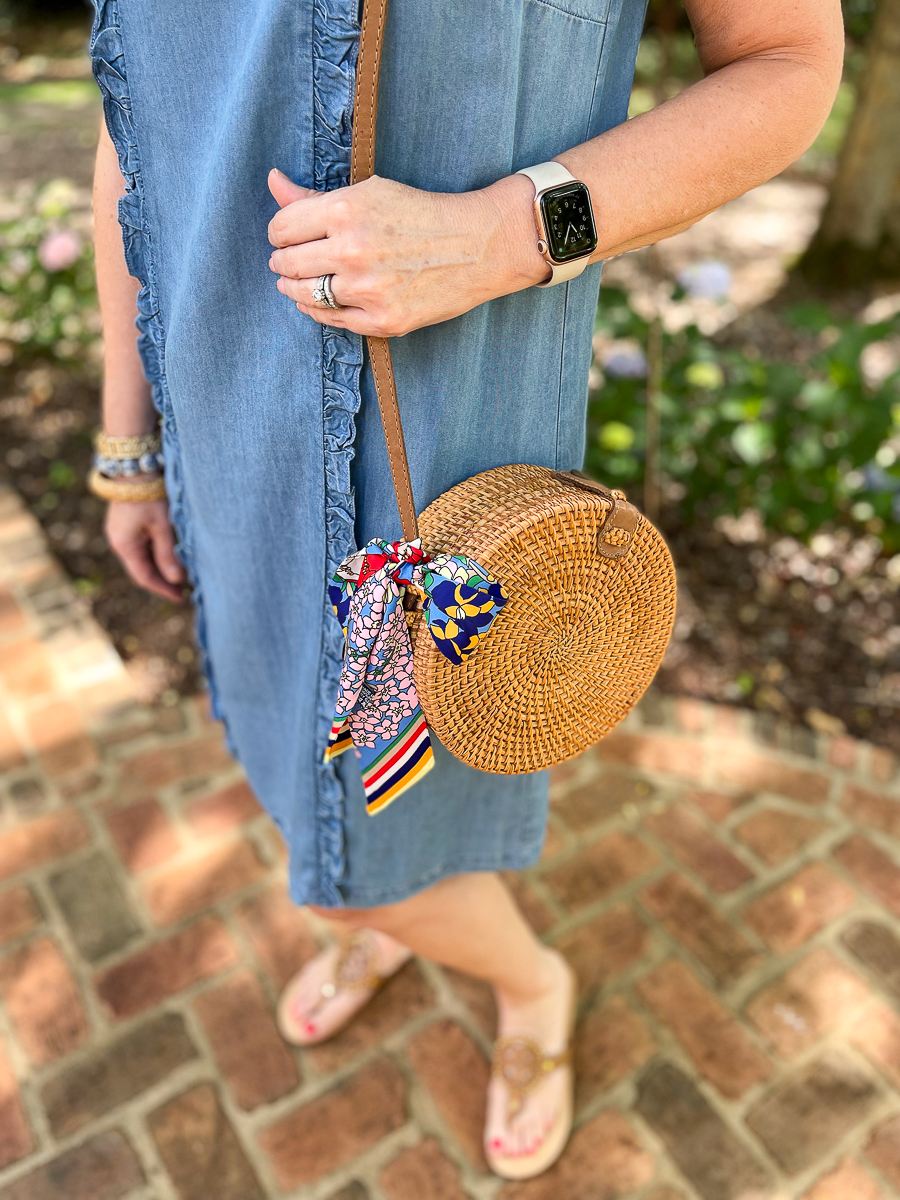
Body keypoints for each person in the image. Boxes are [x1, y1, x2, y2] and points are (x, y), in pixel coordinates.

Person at [90, 0, 842, 1178]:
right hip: (230, 439)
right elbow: (134, 126)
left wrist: (508, 232)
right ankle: (384, 908)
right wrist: (129, 444)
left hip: (444, 477)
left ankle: (525, 981)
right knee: (329, 806)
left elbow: (789, 65)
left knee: (366, 834)